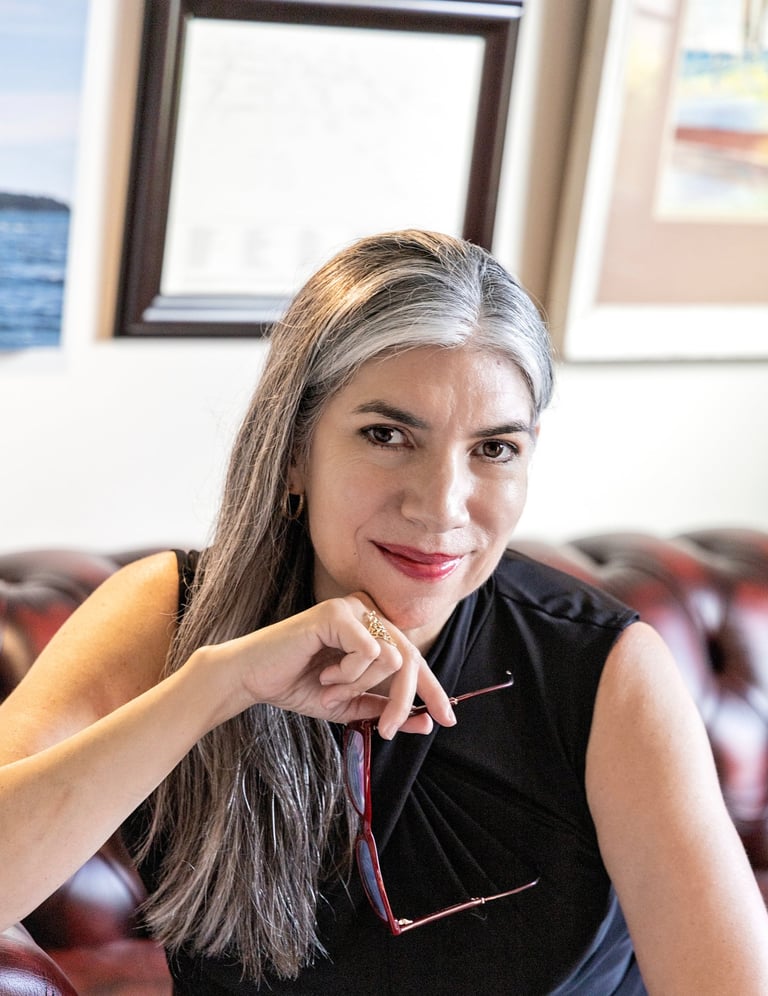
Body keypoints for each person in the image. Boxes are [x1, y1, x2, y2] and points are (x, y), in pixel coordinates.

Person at [1, 230, 767, 995]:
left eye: (493, 449)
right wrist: (216, 687)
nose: (440, 506)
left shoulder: (605, 669)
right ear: (294, 451)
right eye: (387, 435)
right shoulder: (169, 615)